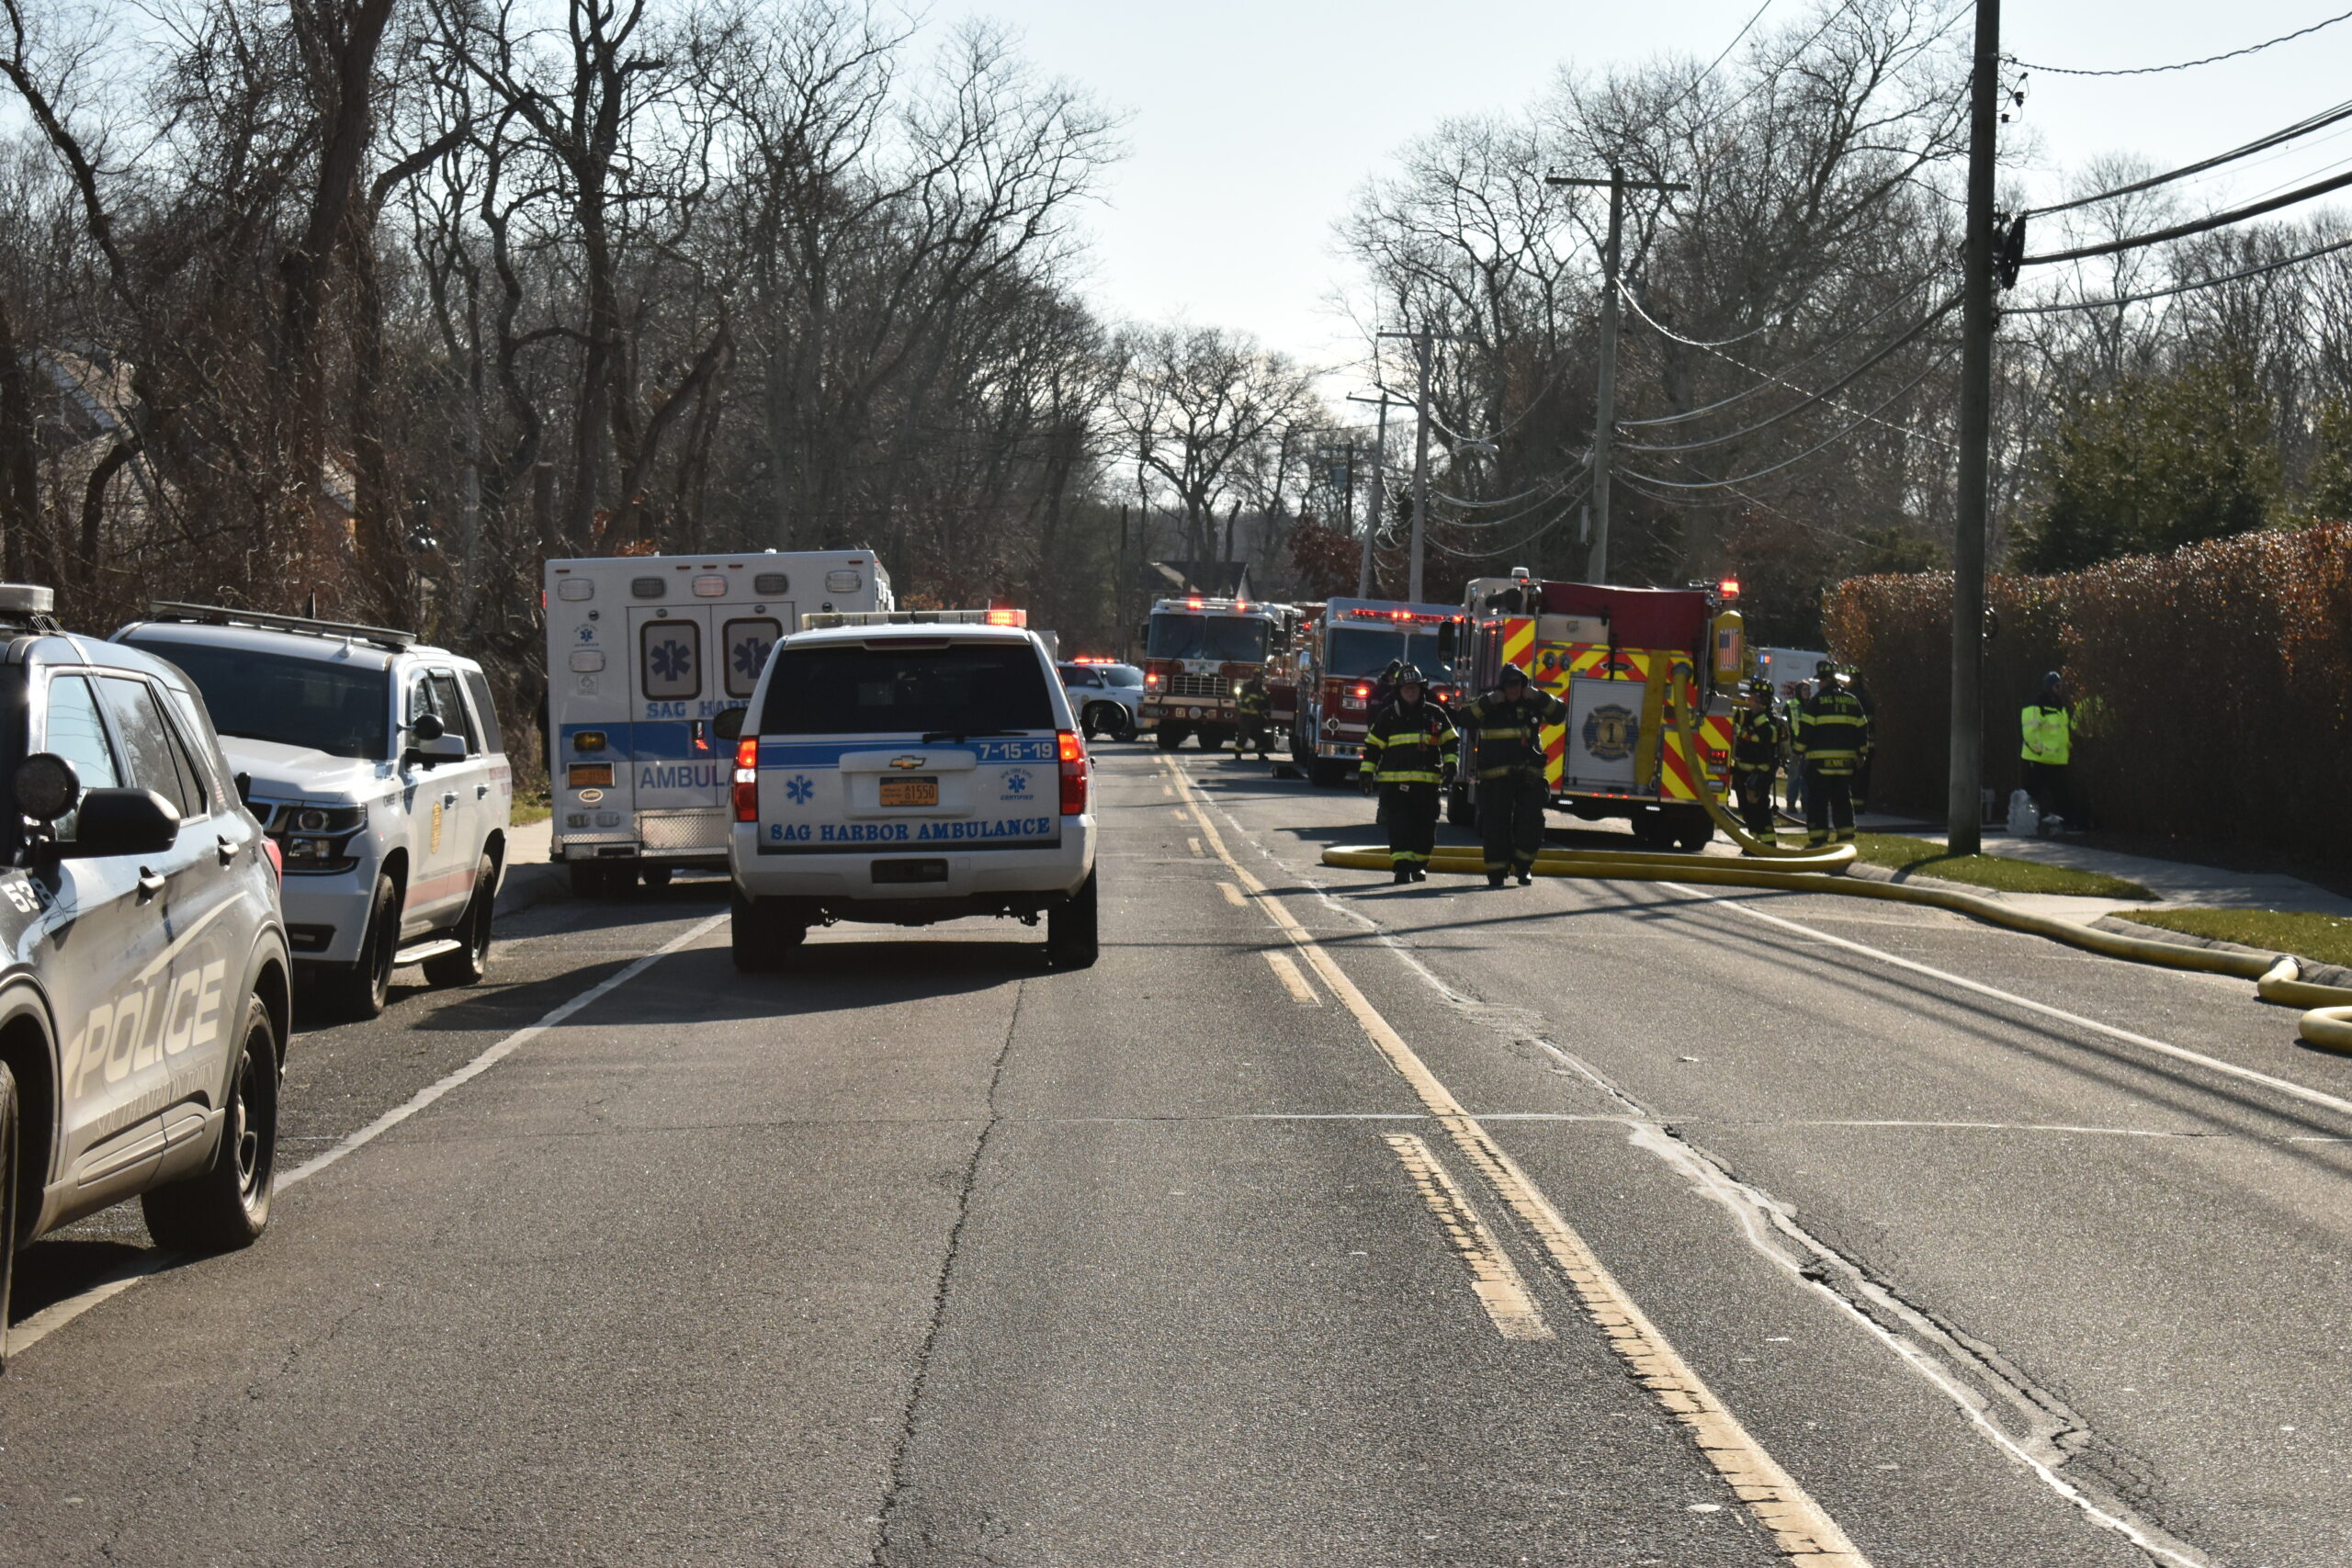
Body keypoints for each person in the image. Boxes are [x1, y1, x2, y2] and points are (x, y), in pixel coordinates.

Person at [1459, 662, 1567, 887]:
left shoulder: (1532, 704)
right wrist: (1490, 701)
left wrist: (1538, 696)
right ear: (1502, 687)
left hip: (1529, 777)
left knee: (1531, 823)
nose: (1513, 689)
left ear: (1523, 685)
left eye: (1517, 684)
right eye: (1509, 685)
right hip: (1495, 778)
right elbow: (1465, 718)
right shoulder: (1490, 706)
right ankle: (1497, 873)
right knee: (1496, 825)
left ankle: (1523, 867)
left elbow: (1559, 714)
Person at [1359, 665, 1457, 884]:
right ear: (1399, 691)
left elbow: (1451, 741)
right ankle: (1402, 868)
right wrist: (1366, 774)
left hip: (1427, 784)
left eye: (1414, 687)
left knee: (1425, 827)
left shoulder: (1434, 714)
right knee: (1399, 826)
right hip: (1395, 785)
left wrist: (1451, 765)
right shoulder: (1388, 716)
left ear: (1421, 689)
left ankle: (1419, 866)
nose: (1410, 691)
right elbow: (1373, 747)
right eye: (1406, 688)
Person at [1792, 659, 1871, 847]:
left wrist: (1797, 751)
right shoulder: (1852, 701)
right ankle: (1845, 837)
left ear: (1825, 680)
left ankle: (1819, 839)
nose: (1819, 683)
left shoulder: (1816, 702)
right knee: (1842, 800)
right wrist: (1861, 754)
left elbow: (1806, 732)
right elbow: (1862, 728)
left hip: (1820, 766)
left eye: (1820, 680)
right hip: (1845, 765)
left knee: (1818, 802)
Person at [1730, 677, 1784, 839]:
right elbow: (1734, 730)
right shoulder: (1742, 715)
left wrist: (1758, 714)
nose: (1749, 699)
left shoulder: (1771, 718)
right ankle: (1753, 844)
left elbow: (1769, 736)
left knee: (1760, 810)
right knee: (1746, 811)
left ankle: (1768, 844)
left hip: (1760, 773)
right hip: (1741, 772)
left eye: (1753, 697)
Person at [2019, 671, 2073, 826]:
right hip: (2039, 758)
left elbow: (2062, 730)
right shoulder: (2037, 703)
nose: (2060, 688)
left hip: (2055, 758)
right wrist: (2039, 749)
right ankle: (2027, 822)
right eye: (2057, 685)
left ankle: (2064, 821)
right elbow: (2030, 730)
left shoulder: (2060, 705)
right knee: (2033, 792)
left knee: (2060, 792)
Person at [1236, 673, 1272, 761]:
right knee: (1243, 735)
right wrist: (1250, 704)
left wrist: (1268, 707)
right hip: (1246, 716)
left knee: (1260, 736)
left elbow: (1265, 700)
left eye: (1261, 678)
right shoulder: (1247, 686)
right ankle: (1237, 754)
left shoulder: (1262, 690)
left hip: (1257, 717)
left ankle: (1261, 754)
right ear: (1254, 677)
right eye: (1259, 677)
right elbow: (1244, 696)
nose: (1260, 679)